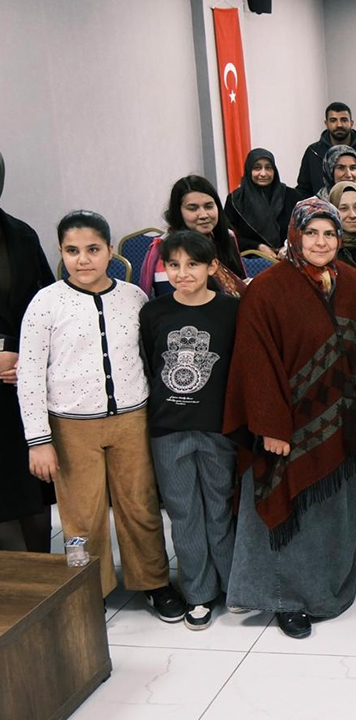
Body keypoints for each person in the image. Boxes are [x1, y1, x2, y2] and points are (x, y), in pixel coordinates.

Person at [222, 197, 356, 639]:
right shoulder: (268, 288)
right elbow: (254, 362)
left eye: (329, 233)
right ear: (295, 235)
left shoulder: (352, 281)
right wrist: (270, 426)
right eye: (312, 233)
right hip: (288, 425)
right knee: (292, 512)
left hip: (343, 422)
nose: (321, 242)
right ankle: (286, 600)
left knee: (336, 514)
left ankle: (327, 591)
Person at [18, 210, 183, 617]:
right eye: (72, 251)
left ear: (110, 250)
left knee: (140, 506)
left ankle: (154, 581)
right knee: (81, 516)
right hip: (71, 427)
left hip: (132, 421)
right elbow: (30, 374)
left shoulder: (134, 297)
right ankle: (88, 588)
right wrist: (38, 440)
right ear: (61, 252)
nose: (83, 260)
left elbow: (149, 358)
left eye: (93, 249)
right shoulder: (45, 303)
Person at [140, 231, 240, 630]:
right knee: (183, 513)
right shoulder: (154, 312)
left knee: (219, 508)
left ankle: (233, 584)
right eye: (174, 265)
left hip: (217, 427)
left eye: (193, 264)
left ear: (212, 266)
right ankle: (198, 593)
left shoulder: (231, 310)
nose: (183, 273)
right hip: (168, 428)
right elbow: (150, 364)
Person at [0, 151, 56, 553]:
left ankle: (41, 572)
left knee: (28, 482)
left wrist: (23, 352)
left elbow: (47, 302)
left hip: (21, 378)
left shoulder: (21, 235)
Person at [141, 175, 248, 298]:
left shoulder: (227, 236)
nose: (203, 215)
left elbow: (239, 282)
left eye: (209, 206)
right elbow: (171, 300)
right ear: (178, 212)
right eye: (193, 208)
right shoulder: (167, 248)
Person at [298, 102, 356, 206]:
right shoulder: (313, 153)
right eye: (333, 120)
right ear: (326, 123)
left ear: (351, 123)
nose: (339, 125)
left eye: (344, 120)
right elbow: (303, 192)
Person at [225, 148, 302, 255]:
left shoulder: (291, 196)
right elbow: (228, 236)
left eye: (268, 168)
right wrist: (257, 246)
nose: (263, 173)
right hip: (251, 259)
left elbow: (303, 229)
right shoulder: (236, 200)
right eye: (257, 168)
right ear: (249, 170)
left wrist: (287, 247)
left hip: (289, 257)